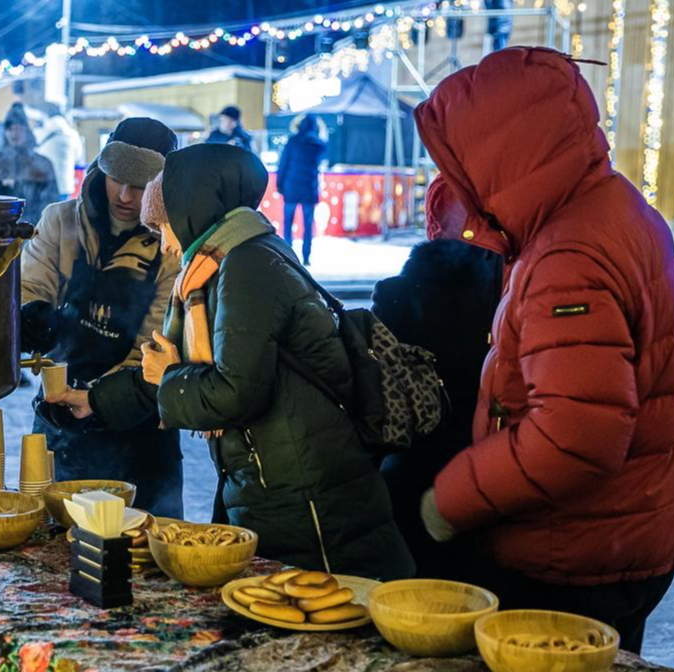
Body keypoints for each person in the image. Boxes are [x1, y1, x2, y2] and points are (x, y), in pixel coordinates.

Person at [415, 48, 674, 654]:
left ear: (501, 151)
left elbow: (575, 435)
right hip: (633, 522)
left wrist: (451, 498)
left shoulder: (566, 254)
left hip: (579, 543)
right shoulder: (605, 202)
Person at [140, 143, 415, 581]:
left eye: (163, 227)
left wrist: (171, 377)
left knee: (335, 621)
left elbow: (235, 392)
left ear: (190, 209)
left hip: (311, 498)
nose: (166, 246)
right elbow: (175, 368)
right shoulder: (228, 262)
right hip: (282, 485)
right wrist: (91, 400)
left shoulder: (247, 266)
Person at [19, 117, 184, 518]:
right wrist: (30, 314)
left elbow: (157, 339)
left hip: (139, 421)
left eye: (141, 186)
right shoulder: (61, 221)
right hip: (60, 410)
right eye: (116, 178)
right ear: (99, 168)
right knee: (52, 548)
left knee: (142, 542)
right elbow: (30, 283)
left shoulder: (171, 245)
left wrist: (100, 399)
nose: (125, 196)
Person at [372, 177, 504, 579]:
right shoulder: (510, 293)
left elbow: (378, 393)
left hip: (411, 473)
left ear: (432, 225)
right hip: (490, 474)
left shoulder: (396, 294)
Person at [0, 103, 59, 222]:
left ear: (27, 131)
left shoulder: (42, 164)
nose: (14, 133)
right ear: (4, 132)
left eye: (19, 128)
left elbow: (51, 201)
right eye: (10, 129)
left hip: (33, 229)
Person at [277, 114, 327, 266]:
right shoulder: (319, 144)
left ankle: (287, 254)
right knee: (308, 224)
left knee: (288, 222)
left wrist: (279, 185)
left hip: (291, 188)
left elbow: (283, 164)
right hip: (309, 189)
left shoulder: (292, 142)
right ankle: (306, 256)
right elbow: (324, 160)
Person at [36, 113, 85, 201]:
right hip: (65, 185)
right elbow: (78, 157)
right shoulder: (73, 135)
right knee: (62, 213)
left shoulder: (39, 133)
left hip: (44, 184)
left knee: (44, 212)